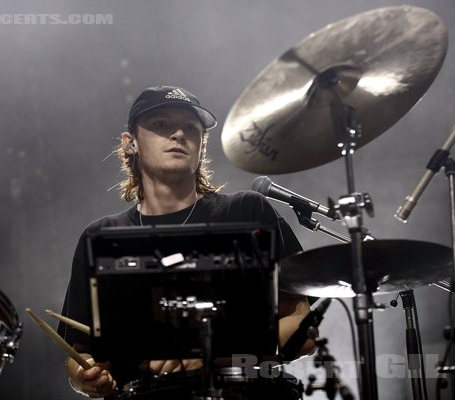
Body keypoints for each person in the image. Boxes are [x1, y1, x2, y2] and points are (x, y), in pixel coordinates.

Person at [58, 85, 315, 399]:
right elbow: (80, 355)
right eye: (161, 125)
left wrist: (210, 353)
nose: (178, 133)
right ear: (130, 143)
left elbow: (302, 327)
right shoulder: (100, 237)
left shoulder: (248, 212)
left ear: (202, 145)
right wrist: (87, 376)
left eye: (190, 128)